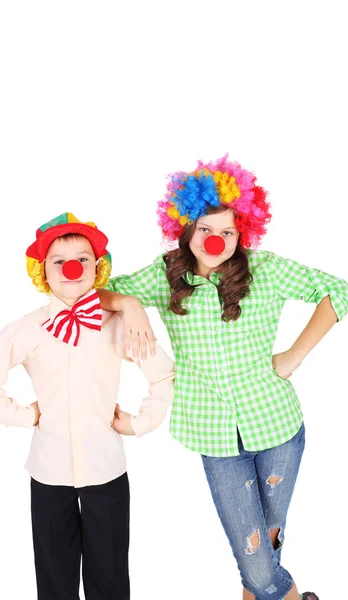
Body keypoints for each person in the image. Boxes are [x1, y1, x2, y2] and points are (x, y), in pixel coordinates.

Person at [98, 156, 348, 600]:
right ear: (185, 229)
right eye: (205, 230)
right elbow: (96, 293)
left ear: (242, 231)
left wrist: (295, 355)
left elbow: (339, 291)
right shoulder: (165, 275)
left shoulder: (266, 269)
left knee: (267, 540)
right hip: (214, 435)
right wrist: (132, 305)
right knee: (252, 552)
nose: (215, 241)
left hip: (278, 425)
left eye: (227, 232)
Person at [0, 212, 174, 600]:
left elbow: (163, 375)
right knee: (54, 579)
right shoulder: (25, 329)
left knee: (110, 578)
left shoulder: (117, 323)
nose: (71, 267)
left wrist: (140, 422)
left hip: (107, 470)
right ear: (43, 270)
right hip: (48, 472)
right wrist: (24, 415)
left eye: (81, 257)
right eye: (58, 261)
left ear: (98, 267)